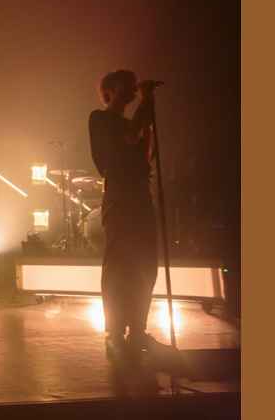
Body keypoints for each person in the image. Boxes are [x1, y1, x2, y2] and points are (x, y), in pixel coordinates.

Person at [88, 70, 163, 360]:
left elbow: (143, 154)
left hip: (139, 195)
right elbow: (127, 139)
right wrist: (145, 104)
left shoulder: (132, 123)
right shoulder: (100, 119)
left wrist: (148, 128)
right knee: (120, 263)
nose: (132, 90)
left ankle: (138, 329)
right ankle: (116, 331)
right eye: (127, 85)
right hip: (119, 196)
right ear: (110, 90)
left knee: (145, 261)